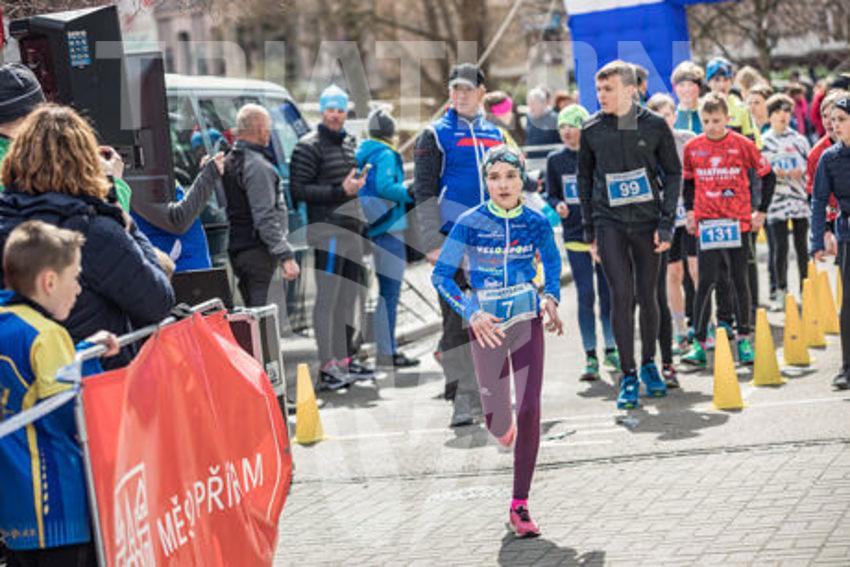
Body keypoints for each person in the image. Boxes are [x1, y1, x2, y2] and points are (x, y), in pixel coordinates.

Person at [431, 145, 563, 538]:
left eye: (510, 176)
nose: (503, 185)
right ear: (485, 182)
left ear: (522, 180)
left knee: (530, 408)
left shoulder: (536, 221)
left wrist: (551, 296)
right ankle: (500, 423)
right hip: (486, 327)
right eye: (494, 178)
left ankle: (520, 504)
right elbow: (441, 275)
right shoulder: (470, 222)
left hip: (526, 321)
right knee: (497, 420)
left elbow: (552, 261)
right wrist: (471, 311)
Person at [0, 104, 174, 368]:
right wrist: (124, 221)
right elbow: (158, 301)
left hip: (18, 380)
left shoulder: (6, 219)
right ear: (85, 162)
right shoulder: (94, 231)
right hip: (94, 379)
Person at [0, 220, 120, 566]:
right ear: (49, 282)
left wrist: (80, 351)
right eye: (76, 277)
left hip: (13, 509)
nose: (79, 289)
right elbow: (71, 413)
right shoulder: (48, 335)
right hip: (57, 508)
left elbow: (33, 385)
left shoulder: (10, 324)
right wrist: (88, 365)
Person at [577, 60, 681, 409]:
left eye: (608, 89)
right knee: (621, 295)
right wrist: (590, 232)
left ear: (630, 90)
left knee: (648, 295)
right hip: (609, 223)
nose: (601, 95)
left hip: (649, 223)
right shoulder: (592, 129)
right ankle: (629, 374)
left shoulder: (654, 125)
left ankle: (650, 363)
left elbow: (673, 173)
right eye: (599, 89)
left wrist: (666, 224)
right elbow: (584, 179)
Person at [413, 63, 504, 427]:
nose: (460, 95)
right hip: (451, 241)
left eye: (467, 88)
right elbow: (423, 192)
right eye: (455, 89)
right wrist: (432, 241)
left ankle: (488, 391)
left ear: (482, 92)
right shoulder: (434, 135)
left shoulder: (495, 133)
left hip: (491, 244)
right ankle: (462, 398)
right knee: (456, 321)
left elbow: (508, 185)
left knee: (491, 318)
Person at [681, 93, 775, 368]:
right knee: (705, 282)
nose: (711, 126)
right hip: (707, 223)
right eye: (706, 121)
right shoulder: (692, 147)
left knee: (738, 280)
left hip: (737, 222)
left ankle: (744, 339)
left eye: (716, 120)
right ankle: (699, 343)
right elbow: (688, 182)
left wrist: (761, 211)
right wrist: (690, 212)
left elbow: (767, 175)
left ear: (727, 118)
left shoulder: (743, 145)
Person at [290, 85, 374, 390]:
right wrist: (340, 191)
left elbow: (350, 187)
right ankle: (327, 366)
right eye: (331, 109)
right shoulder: (307, 146)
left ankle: (346, 359)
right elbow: (298, 190)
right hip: (327, 232)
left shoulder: (350, 143)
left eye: (340, 109)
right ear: (322, 111)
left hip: (352, 230)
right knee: (328, 298)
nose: (336, 115)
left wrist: (356, 189)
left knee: (350, 297)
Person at [545, 104, 618, 381]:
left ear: (583, 129)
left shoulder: (597, 155)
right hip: (575, 236)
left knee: (608, 295)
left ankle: (611, 347)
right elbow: (551, 193)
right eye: (562, 126)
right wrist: (558, 204)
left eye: (571, 126)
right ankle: (590, 356)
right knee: (586, 295)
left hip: (602, 235)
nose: (566, 131)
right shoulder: (555, 160)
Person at [355, 108, 419, 369]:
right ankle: (387, 352)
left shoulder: (361, 152)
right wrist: (410, 191)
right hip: (389, 227)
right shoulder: (386, 154)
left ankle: (377, 349)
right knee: (389, 293)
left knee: (369, 294)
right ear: (391, 133)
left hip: (367, 226)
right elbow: (385, 186)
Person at [223, 103, 299, 309]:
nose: (269, 133)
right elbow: (265, 217)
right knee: (266, 320)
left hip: (240, 249)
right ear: (259, 129)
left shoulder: (229, 160)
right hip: (258, 253)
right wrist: (285, 255)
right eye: (268, 127)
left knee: (255, 319)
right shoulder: (257, 166)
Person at [647, 93, 696, 387]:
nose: (666, 120)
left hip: (688, 213)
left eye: (669, 114)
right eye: (660, 115)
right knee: (673, 273)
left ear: (675, 116)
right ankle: (680, 330)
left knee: (696, 270)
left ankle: (705, 326)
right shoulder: (647, 144)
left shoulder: (687, 139)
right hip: (664, 219)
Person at [811, 95, 850, 390]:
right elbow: (819, 201)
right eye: (832, 120)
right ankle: (847, 367)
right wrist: (817, 241)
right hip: (847, 234)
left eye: (842, 120)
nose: (835, 125)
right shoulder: (829, 158)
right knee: (848, 302)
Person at [762, 93, 811, 308]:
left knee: (802, 247)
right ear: (770, 115)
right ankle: (780, 290)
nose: (783, 115)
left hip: (798, 199)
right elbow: (761, 171)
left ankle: (805, 289)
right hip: (776, 201)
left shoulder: (800, 140)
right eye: (777, 111)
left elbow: (810, 167)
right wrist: (774, 173)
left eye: (786, 111)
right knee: (779, 248)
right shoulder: (764, 141)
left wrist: (801, 172)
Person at [524, 86, 561, 159]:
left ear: (543, 103)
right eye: (528, 104)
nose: (530, 107)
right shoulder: (529, 118)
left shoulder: (556, 118)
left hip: (550, 160)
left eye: (533, 103)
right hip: (532, 161)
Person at [672, 61, 704, 135]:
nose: (686, 90)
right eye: (681, 85)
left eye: (691, 84)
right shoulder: (670, 115)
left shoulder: (709, 112)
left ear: (699, 87)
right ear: (675, 88)